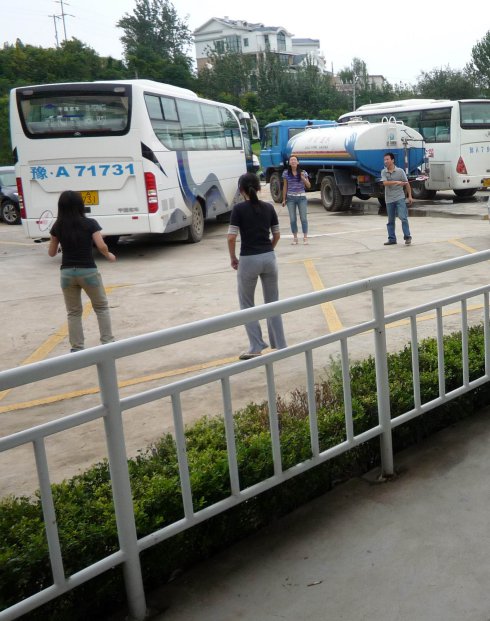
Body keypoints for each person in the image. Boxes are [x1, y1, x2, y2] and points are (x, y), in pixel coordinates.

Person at [227, 172, 287, 360]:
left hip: (248, 259)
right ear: (260, 188)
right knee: (273, 302)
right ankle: (280, 344)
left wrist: (233, 258)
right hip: (269, 258)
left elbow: (231, 237)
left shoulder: (238, 210)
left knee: (247, 304)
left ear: (241, 190)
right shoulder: (269, 207)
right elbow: (277, 235)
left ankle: (256, 346)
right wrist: (269, 249)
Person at [48, 190, 116, 352]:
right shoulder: (90, 223)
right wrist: (108, 255)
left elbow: (51, 253)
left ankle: (77, 349)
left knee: (73, 313)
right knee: (101, 307)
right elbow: (101, 245)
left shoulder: (57, 226)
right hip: (88, 271)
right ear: (80, 205)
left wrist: (58, 243)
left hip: (67, 273)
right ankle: (108, 342)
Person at [381, 152, 413, 246]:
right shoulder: (384, 172)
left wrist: (410, 196)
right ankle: (392, 239)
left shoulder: (400, 171)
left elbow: (407, 183)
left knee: (403, 217)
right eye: (384, 160)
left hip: (400, 197)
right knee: (391, 220)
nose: (385, 161)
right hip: (389, 199)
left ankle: (407, 237)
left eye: (387, 159)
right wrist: (397, 182)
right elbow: (385, 183)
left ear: (392, 160)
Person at [281, 155, 311, 244]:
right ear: (289, 163)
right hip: (290, 198)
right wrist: (284, 199)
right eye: (291, 160)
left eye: (295, 160)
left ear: (298, 162)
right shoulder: (286, 173)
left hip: (302, 198)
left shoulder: (303, 172)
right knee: (292, 219)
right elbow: (285, 186)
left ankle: (305, 237)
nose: (293, 161)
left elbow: (309, 186)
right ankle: (295, 238)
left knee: (303, 218)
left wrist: (303, 178)